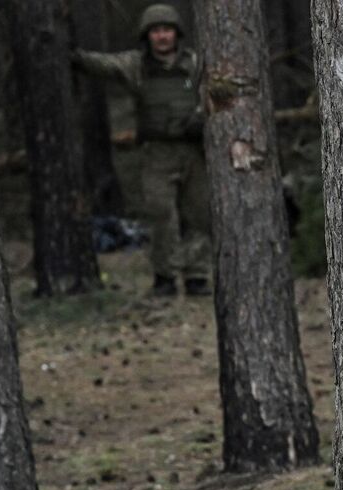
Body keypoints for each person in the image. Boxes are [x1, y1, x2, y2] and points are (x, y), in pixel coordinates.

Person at [73, 4, 211, 297]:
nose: (162, 37)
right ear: (147, 36)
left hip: (193, 152)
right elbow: (103, 64)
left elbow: (218, 92)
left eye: (167, 30)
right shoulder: (137, 66)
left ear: (177, 33)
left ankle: (197, 275)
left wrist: (201, 118)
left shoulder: (196, 64)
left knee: (199, 215)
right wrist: (73, 54)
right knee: (162, 215)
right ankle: (165, 277)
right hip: (156, 153)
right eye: (156, 31)